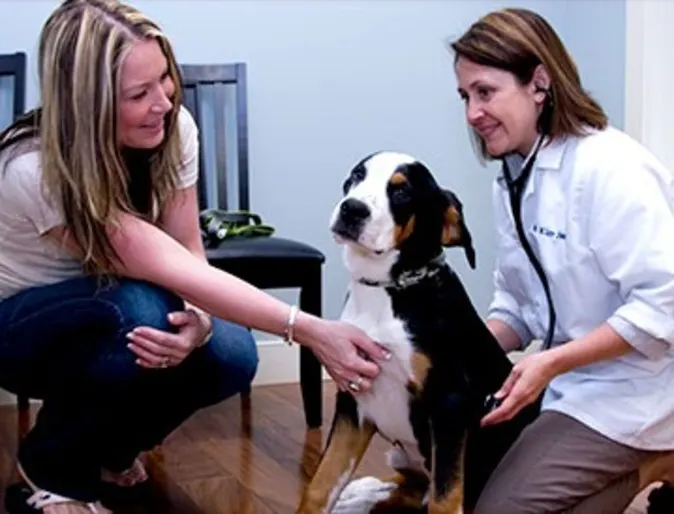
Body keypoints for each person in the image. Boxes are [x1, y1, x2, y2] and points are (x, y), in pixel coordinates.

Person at [0, 1, 389, 512]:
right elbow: (160, 264)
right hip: (22, 332)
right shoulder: (35, 170)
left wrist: (202, 319)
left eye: (165, 78)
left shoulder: (173, 127)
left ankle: (108, 453)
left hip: (114, 305)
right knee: (138, 308)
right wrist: (312, 330)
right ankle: (48, 468)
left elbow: (187, 248)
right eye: (139, 94)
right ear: (86, 106)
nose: (163, 101)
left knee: (232, 353)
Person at [449, 7, 674, 514]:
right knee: (469, 491)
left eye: (485, 92)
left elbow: (665, 305)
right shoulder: (512, 176)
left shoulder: (612, 168)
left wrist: (549, 363)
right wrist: (458, 357)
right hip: (569, 383)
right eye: (465, 96)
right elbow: (518, 302)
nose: (471, 113)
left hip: (638, 389)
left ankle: (658, 458)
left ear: (539, 83)